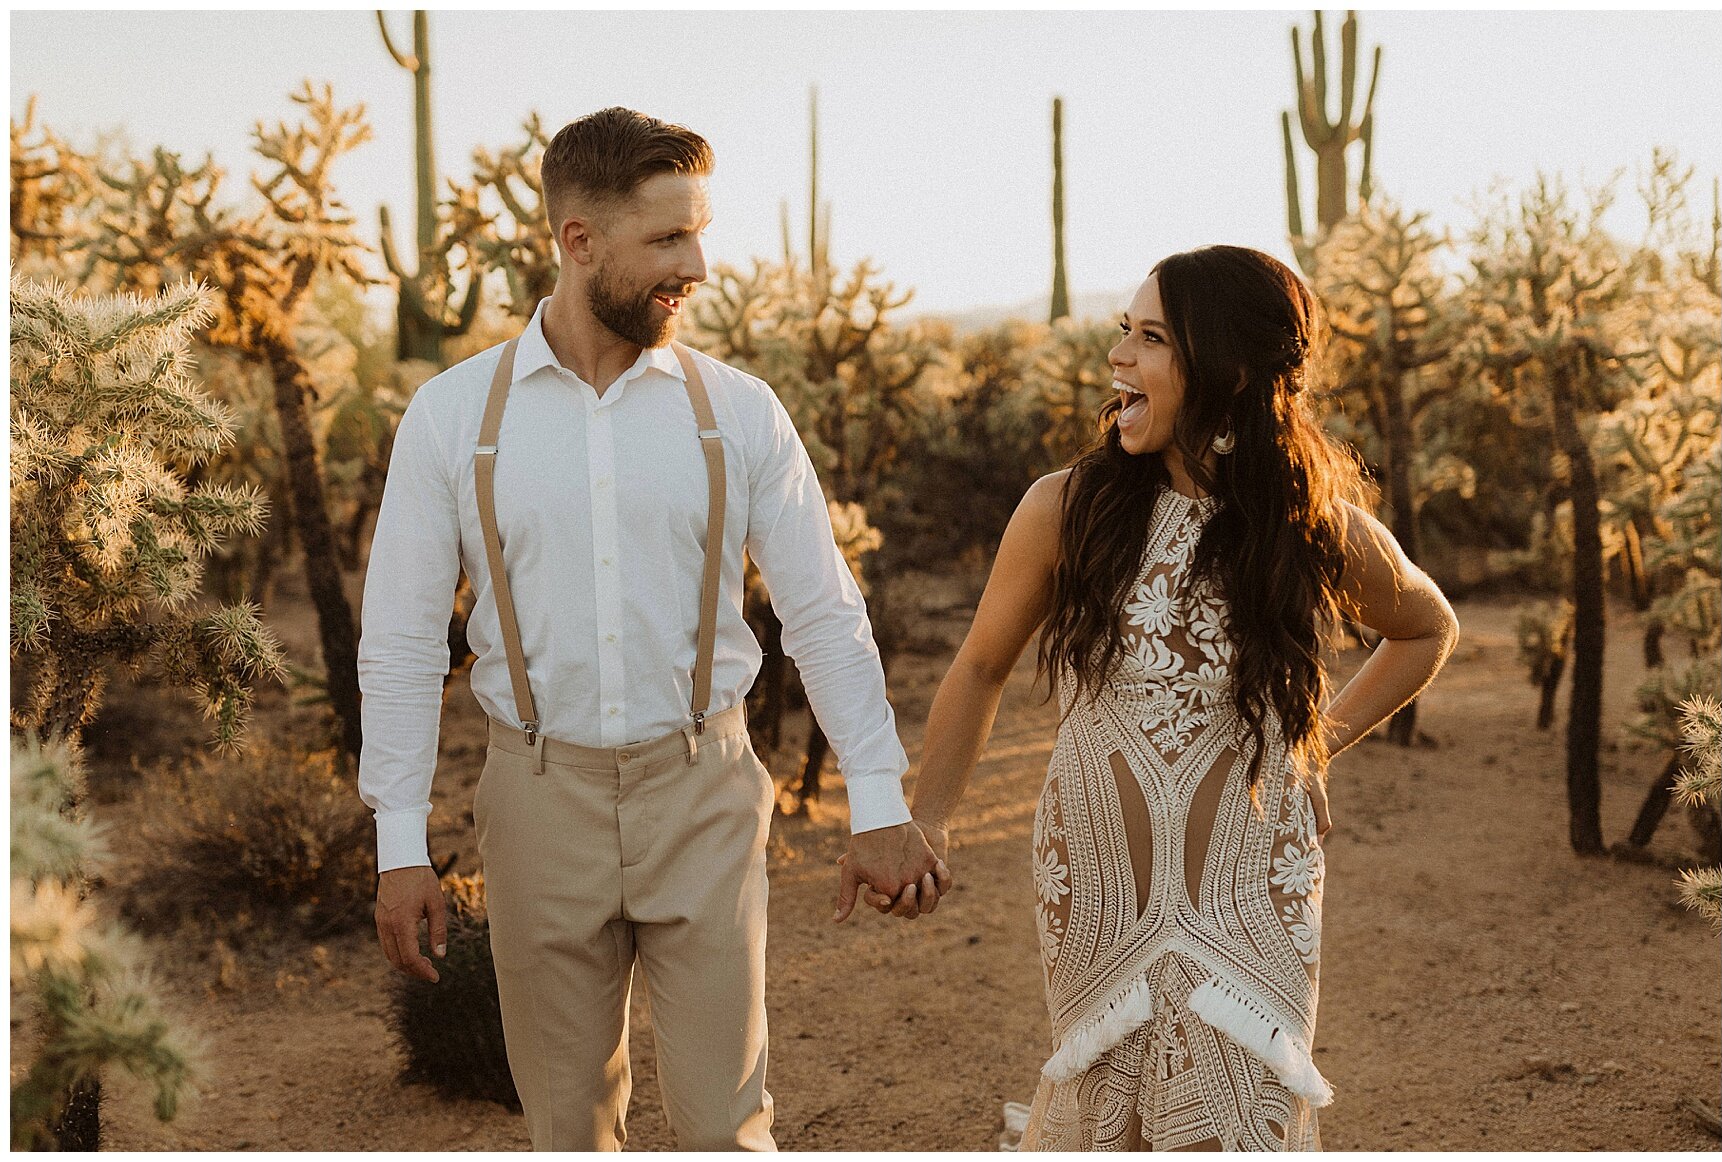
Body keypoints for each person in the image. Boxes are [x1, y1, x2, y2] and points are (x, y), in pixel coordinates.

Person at [358, 106, 944, 1151]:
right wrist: (399, 843)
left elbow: (822, 611)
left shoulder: (739, 412)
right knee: (567, 1129)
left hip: (704, 792)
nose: (699, 264)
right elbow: (402, 639)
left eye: (698, 232)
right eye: (668, 238)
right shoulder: (451, 419)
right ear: (578, 240)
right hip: (538, 802)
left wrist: (878, 799)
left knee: (729, 1126)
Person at [857, 246, 1459, 1150]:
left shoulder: (1308, 524)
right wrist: (931, 817)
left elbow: (1426, 627)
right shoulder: (1065, 508)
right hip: (1099, 879)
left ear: (1230, 369)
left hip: (1252, 881)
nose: (1118, 361)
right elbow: (980, 666)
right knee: (1114, 1120)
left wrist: (1313, 745)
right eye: (1122, 334)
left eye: (1150, 339)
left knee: (1242, 1112)